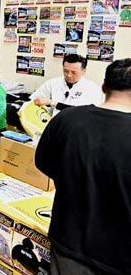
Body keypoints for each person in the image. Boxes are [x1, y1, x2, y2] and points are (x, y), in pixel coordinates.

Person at [35, 59, 131, 274]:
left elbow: (44, 163)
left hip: (68, 240)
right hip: (119, 254)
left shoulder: (66, 119)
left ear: (104, 87)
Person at [30, 54, 103, 115]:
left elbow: (84, 112)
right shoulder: (52, 83)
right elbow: (32, 100)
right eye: (66, 71)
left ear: (83, 71)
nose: (69, 75)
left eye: (73, 72)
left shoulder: (93, 89)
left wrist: (52, 103)